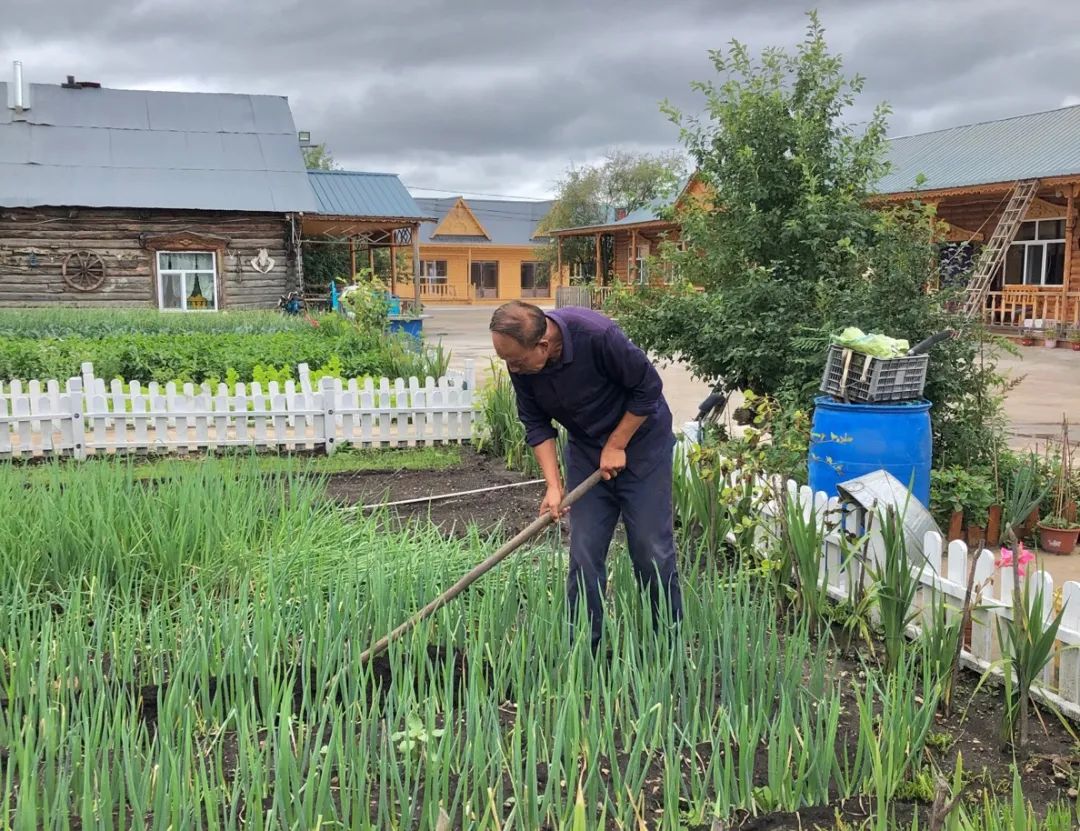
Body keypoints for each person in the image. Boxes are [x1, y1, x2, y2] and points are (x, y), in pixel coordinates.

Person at [489, 300, 683, 650]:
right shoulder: (522, 367)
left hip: (642, 443)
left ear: (544, 346)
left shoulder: (597, 335)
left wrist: (618, 443)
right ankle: (585, 649)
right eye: (507, 362)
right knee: (584, 550)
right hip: (587, 448)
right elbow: (535, 423)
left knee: (649, 548)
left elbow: (648, 388)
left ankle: (667, 645)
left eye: (516, 361)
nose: (512, 369)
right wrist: (553, 485)